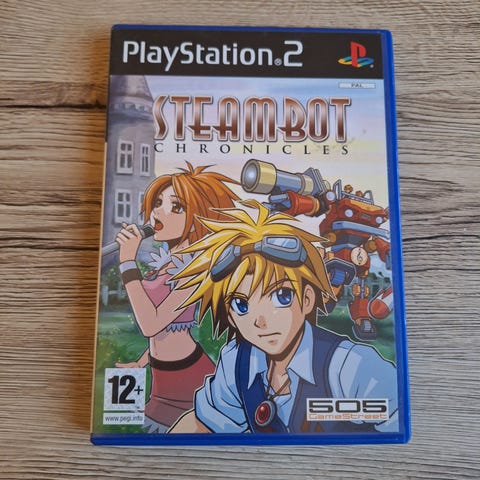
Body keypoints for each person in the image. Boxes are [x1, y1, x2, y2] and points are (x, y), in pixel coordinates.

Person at [169, 200, 399, 434]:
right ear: (230, 315)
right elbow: (203, 424)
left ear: (307, 299)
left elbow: (399, 424)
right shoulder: (237, 362)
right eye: (241, 305)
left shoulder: (350, 367)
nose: (260, 321)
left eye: (282, 296)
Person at [115, 162, 239, 432]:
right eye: (158, 203)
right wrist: (142, 362)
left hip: (188, 378)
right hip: (162, 375)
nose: (158, 211)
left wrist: (127, 263)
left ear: (197, 219)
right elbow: (164, 333)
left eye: (176, 207)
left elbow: (151, 324)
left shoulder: (194, 271)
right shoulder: (165, 263)